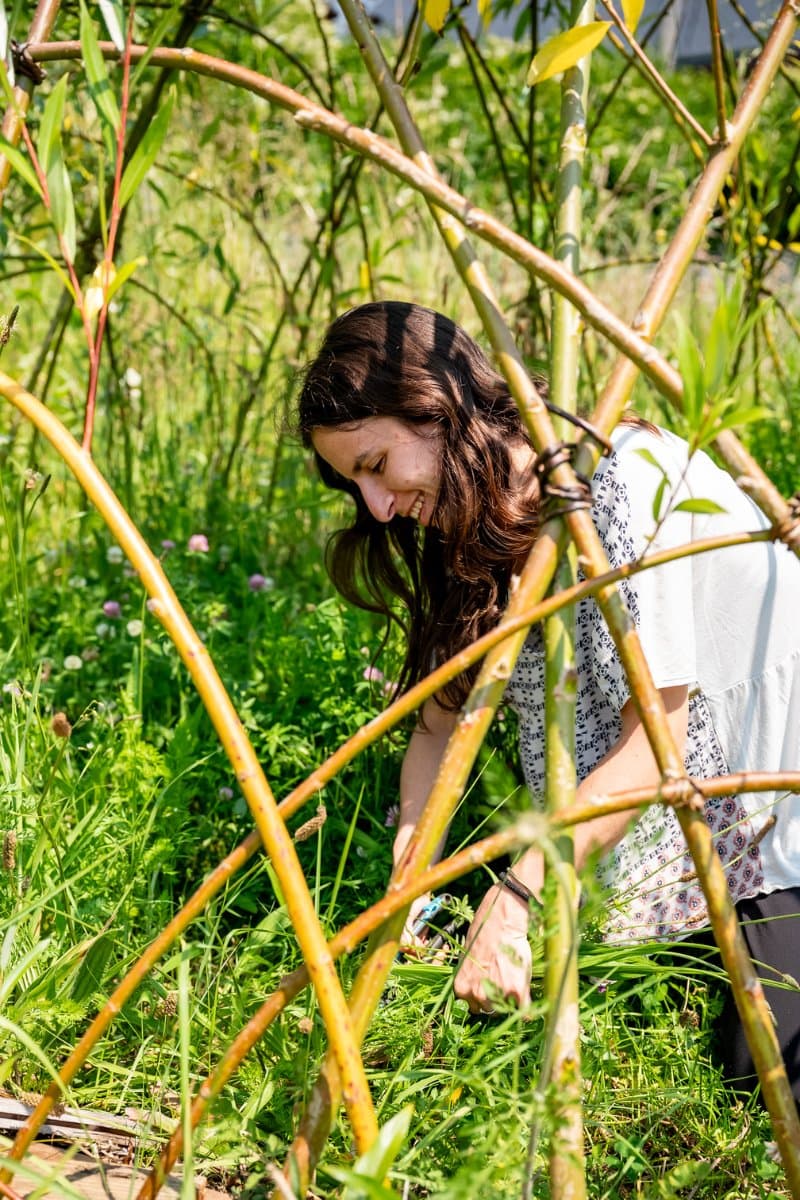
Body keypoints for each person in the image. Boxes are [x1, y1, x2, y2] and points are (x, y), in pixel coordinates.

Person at [296, 299, 800, 1099]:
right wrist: (409, 866)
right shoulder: (477, 521)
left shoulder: (617, 482)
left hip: (766, 820)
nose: (376, 508)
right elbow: (438, 723)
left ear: (436, 409)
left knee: (764, 1079)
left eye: (375, 464)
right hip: (643, 840)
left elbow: (656, 744)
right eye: (353, 483)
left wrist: (519, 892)